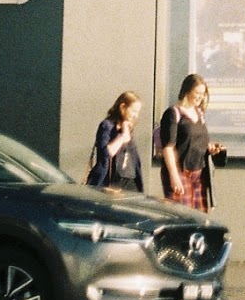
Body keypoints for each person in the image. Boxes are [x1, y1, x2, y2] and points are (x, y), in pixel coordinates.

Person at [158, 73, 223, 211]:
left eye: (203, 93)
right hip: (181, 172)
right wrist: (174, 176)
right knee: (183, 215)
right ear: (187, 91)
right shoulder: (173, 113)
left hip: (199, 173)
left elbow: (197, 141)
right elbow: (168, 148)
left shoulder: (199, 114)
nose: (200, 97)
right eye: (197, 92)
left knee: (200, 217)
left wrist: (210, 148)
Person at [84, 90, 144, 192]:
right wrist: (122, 136)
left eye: (138, 112)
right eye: (134, 111)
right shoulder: (107, 126)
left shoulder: (129, 127)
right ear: (123, 107)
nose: (136, 116)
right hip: (111, 183)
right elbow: (106, 153)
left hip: (131, 183)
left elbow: (134, 160)